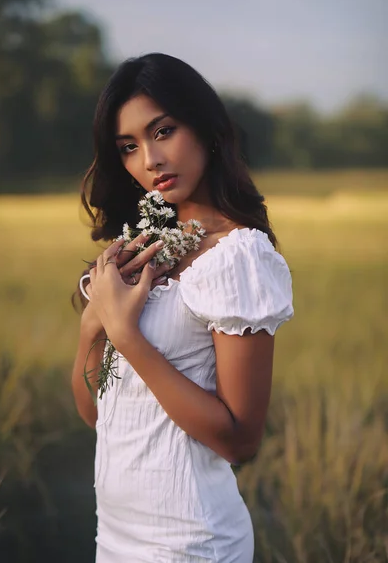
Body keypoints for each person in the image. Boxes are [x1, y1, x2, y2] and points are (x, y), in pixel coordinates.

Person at [71, 52, 294, 562]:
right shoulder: (144, 249)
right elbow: (96, 414)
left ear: (206, 128)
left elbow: (240, 440)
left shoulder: (239, 256)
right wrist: (93, 327)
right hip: (115, 536)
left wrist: (127, 337)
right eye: (129, 146)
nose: (149, 159)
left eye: (163, 131)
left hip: (190, 542)